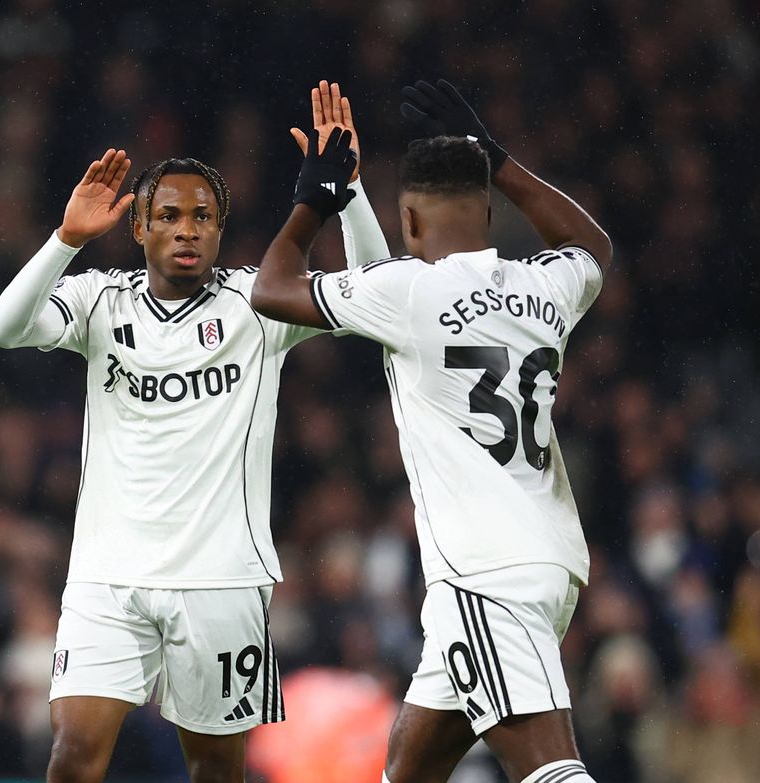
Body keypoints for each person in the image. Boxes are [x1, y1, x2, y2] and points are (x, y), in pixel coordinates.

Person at [0, 81, 388, 783]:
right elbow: (4, 327)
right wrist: (64, 241)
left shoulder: (260, 304)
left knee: (214, 768)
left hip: (222, 581)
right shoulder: (99, 301)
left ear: (220, 230)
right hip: (108, 576)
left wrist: (347, 190)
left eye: (203, 216)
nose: (187, 228)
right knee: (73, 753)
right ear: (139, 228)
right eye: (168, 215)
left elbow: (380, 291)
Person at [251, 79, 613, 783]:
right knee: (408, 768)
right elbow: (590, 244)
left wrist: (315, 197)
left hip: (484, 571)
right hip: (546, 561)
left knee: (551, 770)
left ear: (410, 223)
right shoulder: (542, 285)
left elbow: (272, 288)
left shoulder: (408, 293)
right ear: (485, 209)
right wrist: (495, 157)